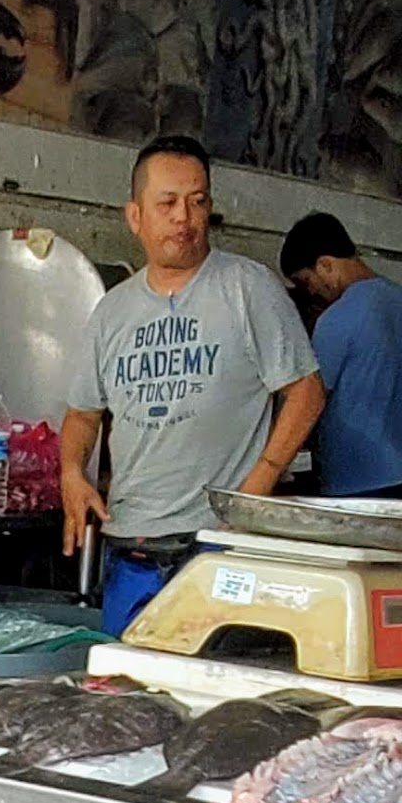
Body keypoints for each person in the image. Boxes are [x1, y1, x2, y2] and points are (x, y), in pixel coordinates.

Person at [59, 139, 326, 636]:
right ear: (135, 215)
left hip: (220, 543)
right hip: (132, 542)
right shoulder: (111, 312)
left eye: (198, 201)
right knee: (125, 694)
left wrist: (255, 491)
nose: (185, 216)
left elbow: (306, 392)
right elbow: (83, 413)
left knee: (211, 693)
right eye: (167, 203)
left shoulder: (249, 288)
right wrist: (72, 472)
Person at [277, 213, 402, 497]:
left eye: (307, 282)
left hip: (356, 475)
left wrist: (275, 462)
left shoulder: (339, 316)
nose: (312, 293)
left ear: (325, 265)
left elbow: (307, 398)